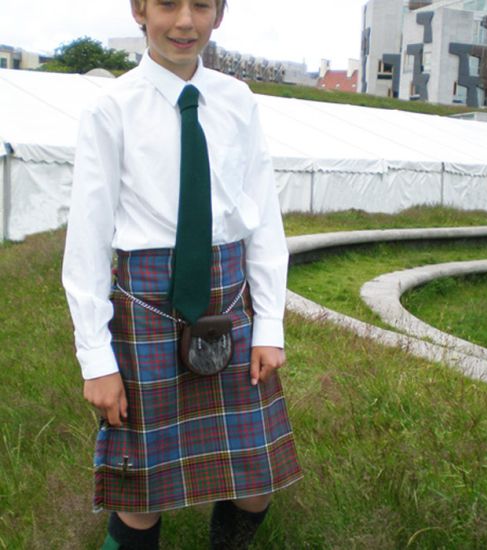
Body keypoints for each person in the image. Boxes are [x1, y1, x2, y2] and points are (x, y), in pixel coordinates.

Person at [62, 0, 302, 548]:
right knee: (140, 494)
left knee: (256, 479)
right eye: (168, 3)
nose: (185, 21)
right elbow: (88, 240)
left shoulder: (238, 101)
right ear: (139, 9)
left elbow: (263, 214)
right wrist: (96, 359)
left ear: (220, 13)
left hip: (228, 299)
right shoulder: (110, 109)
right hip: (145, 305)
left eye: (201, 5)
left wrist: (269, 325)